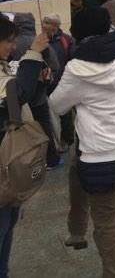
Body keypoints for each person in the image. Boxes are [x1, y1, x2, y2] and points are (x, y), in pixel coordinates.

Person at [49, 7, 115, 278]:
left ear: (79, 35)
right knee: (75, 170)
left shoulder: (77, 68)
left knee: (106, 220)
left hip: (103, 157)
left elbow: (56, 106)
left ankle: (113, 274)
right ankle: (77, 230)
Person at [0, 15, 50, 278]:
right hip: (3, 165)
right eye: (8, 41)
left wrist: (37, 71)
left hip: (7, 167)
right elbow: (17, 94)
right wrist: (33, 53)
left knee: (8, 222)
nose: (12, 46)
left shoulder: (4, 66)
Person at [12, 12, 62, 169]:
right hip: (38, 91)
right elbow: (55, 65)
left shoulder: (11, 43)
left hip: (16, 92)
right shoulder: (40, 41)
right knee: (44, 124)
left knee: (19, 127)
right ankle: (52, 158)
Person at [42, 14, 76, 148]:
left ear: (55, 26)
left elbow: (73, 59)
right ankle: (54, 140)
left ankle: (67, 139)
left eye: (48, 22)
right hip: (47, 83)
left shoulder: (66, 40)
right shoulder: (40, 40)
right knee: (50, 114)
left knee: (65, 113)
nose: (44, 25)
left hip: (63, 82)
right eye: (44, 22)